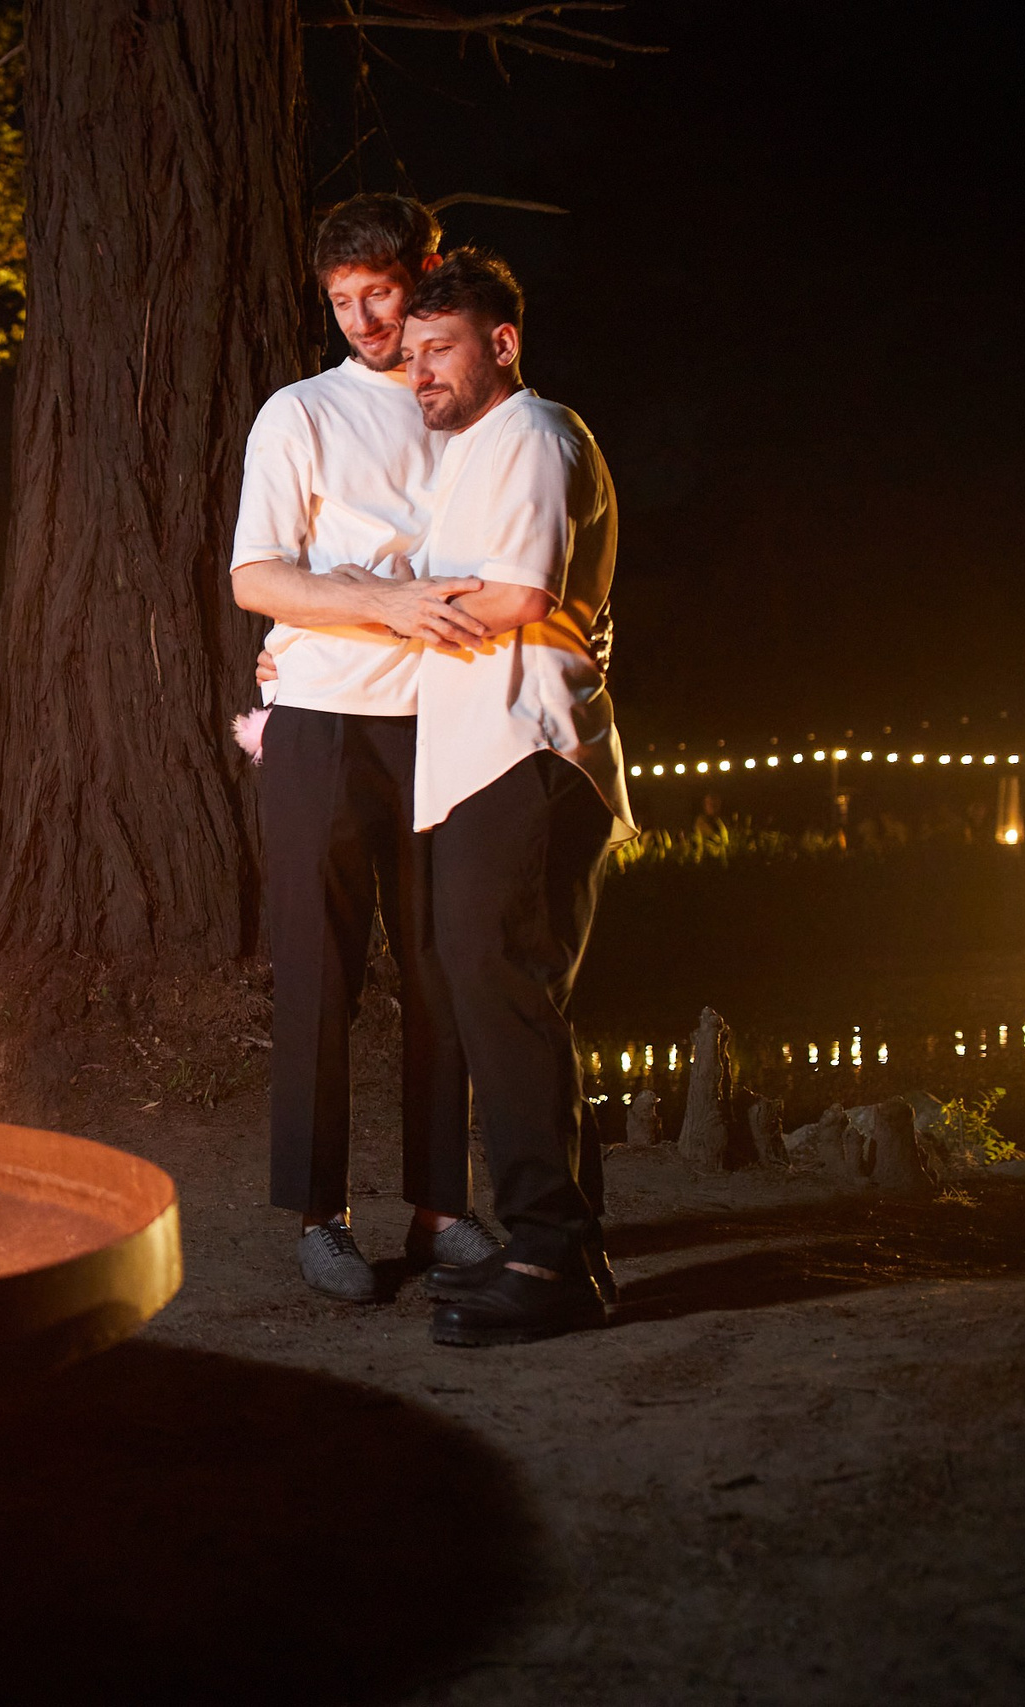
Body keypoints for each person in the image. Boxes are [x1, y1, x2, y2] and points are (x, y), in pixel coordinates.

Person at [227, 194, 501, 1304]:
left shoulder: (475, 412)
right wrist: (378, 608)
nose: (360, 319)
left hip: (451, 723)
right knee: (320, 973)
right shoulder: (299, 413)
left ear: (425, 273)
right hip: (323, 723)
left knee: (443, 968)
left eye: (378, 293)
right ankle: (319, 1215)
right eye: (340, 301)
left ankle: (440, 1209)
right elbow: (255, 577)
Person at [394, 247, 635, 1346]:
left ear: (501, 344)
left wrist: (370, 603)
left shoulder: (533, 435)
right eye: (407, 357)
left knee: (502, 988)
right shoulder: (478, 453)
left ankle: (547, 1259)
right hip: (489, 755)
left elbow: (522, 592)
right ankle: (560, 1242)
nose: (419, 372)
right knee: (503, 993)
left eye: (438, 349)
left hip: (526, 752)